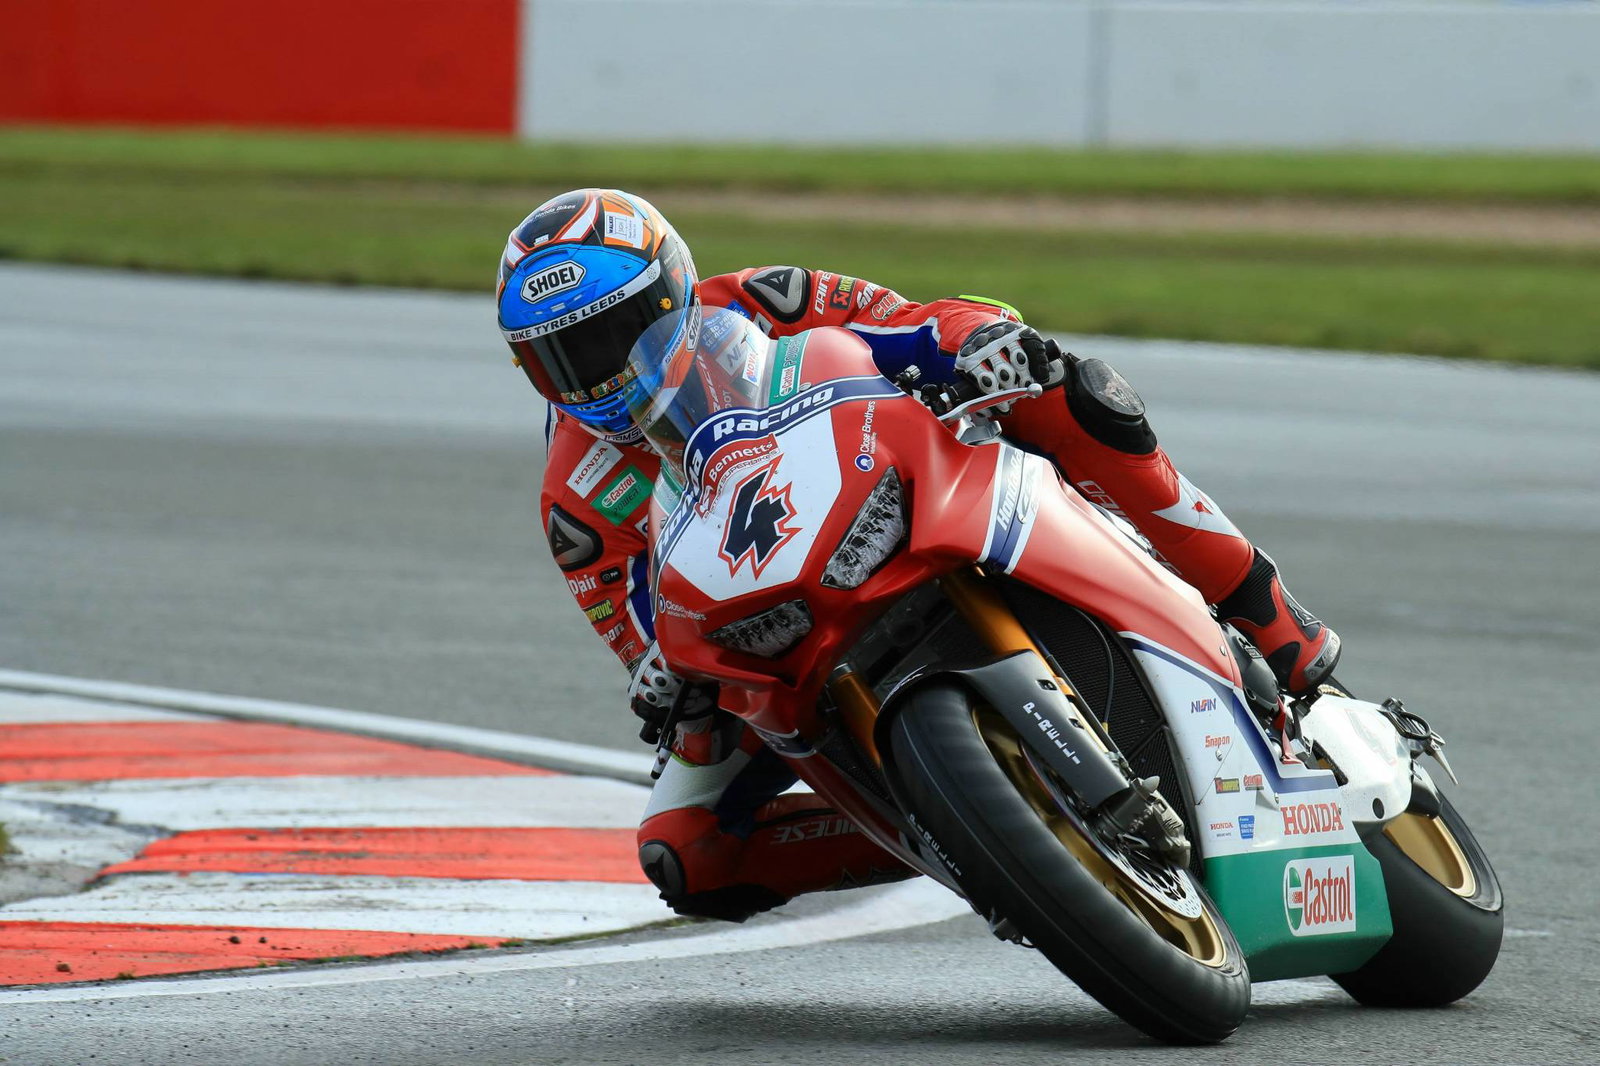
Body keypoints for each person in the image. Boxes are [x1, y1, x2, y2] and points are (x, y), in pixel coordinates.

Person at [496, 188, 1341, 921]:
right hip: (782, 626)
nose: (602, 376)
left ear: (674, 290)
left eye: (619, 335)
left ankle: (1265, 610)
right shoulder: (578, 501)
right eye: (562, 358)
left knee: (1072, 389)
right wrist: (661, 676)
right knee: (683, 853)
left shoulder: (768, 301)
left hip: (899, 490)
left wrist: (978, 340)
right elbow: (649, 642)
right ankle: (976, 834)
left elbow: (910, 322)